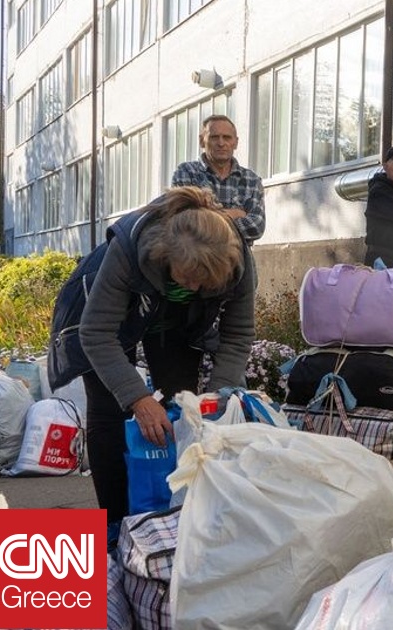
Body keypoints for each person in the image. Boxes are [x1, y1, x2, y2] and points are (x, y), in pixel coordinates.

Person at [79, 186, 256, 526]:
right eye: (188, 278)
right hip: (103, 315)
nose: (192, 289)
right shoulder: (130, 249)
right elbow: (97, 333)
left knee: (181, 411)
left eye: (204, 284)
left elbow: (238, 335)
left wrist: (216, 397)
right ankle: (114, 527)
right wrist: (138, 398)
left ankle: (172, 519)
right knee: (109, 409)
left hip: (175, 323)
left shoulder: (238, 262)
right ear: (164, 254)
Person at [171, 114, 265, 244]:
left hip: (239, 262)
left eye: (227, 137)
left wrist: (206, 216)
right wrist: (236, 213)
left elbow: (256, 227)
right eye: (214, 137)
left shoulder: (251, 180)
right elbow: (184, 223)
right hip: (195, 259)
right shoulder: (186, 173)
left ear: (235, 143)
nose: (221, 143)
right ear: (201, 141)